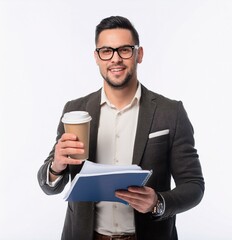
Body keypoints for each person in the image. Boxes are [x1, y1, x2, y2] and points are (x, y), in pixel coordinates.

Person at [37, 16, 204, 240]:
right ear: (96, 57)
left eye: (124, 50)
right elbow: (50, 186)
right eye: (106, 51)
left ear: (139, 54)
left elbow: (194, 185)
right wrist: (56, 167)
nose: (116, 59)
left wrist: (158, 203)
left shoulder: (170, 112)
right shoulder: (75, 110)